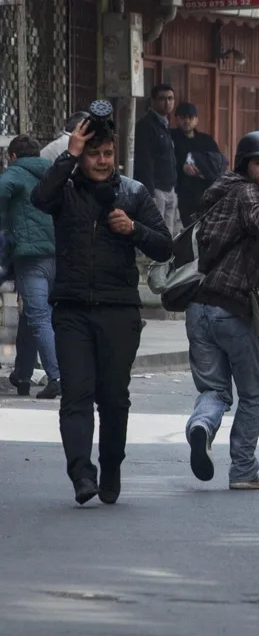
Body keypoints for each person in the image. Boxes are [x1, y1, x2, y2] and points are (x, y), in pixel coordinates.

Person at [32, 115, 172, 505]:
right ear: (81, 156)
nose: (102, 161)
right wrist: (68, 156)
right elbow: (39, 198)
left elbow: (165, 245)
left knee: (113, 398)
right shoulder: (65, 189)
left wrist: (135, 230)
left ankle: (111, 467)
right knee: (76, 394)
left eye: (108, 153)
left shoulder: (133, 192)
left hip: (118, 311)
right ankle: (81, 473)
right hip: (72, 308)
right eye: (93, 154)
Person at [184, 131, 259, 491]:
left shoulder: (224, 192)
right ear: (244, 166)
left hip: (199, 308)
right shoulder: (246, 192)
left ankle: (201, 426)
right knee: (253, 395)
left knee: (215, 390)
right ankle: (243, 470)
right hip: (232, 310)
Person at [0, 136, 61, 399]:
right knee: (31, 316)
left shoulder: (15, 172)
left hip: (31, 258)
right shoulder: (54, 173)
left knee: (38, 317)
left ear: (13, 156)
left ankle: (57, 377)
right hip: (57, 256)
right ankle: (22, 375)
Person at [135, 83, 180, 234]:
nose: (167, 103)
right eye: (162, 99)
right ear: (153, 101)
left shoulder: (165, 124)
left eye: (170, 98)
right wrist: (150, 192)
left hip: (170, 189)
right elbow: (144, 161)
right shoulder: (146, 125)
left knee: (169, 235)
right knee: (156, 233)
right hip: (156, 191)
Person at [170, 103, 225, 225]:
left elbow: (219, 163)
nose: (187, 121)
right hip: (180, 195)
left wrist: (203, 168)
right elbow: (164, 163)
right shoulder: (170, 138)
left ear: (196, 120)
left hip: (205, 194)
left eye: (190, 117)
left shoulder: (206, 140)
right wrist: (182, 167)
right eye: (183, 117)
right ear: (176, 119)